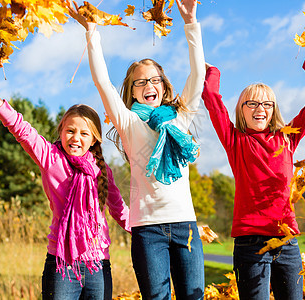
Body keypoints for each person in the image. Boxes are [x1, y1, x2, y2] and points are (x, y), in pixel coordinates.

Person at [0, 62, 131, 300]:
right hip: (61, 264)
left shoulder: (101, 170)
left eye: (84, 133)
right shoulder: (50, 158)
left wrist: (151, 230)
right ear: (61, 131)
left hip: (98, 265)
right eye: (70, 131)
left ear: (94, 140)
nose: (75, 138)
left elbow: (120, 211)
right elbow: (20, 128)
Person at [69, 0, 205, 299]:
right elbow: (102, 81)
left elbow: (197, 77)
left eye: (154, 79)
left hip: (186, 225)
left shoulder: (180, 119)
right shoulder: (128, 123)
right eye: (141, 82)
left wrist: (190, 24)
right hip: (147, 230)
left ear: (163, 85)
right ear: (132, 91)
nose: (148, 85)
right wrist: (92, 32)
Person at [201, 41, 305, 300]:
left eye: (267, 104)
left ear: (273, 110)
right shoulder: (235, 140)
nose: (260, 109)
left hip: (287, 240)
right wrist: (213, 72)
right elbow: (211, 100)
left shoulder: (287, 139)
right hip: (251, 242)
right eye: (252, 103)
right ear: (241, 109)